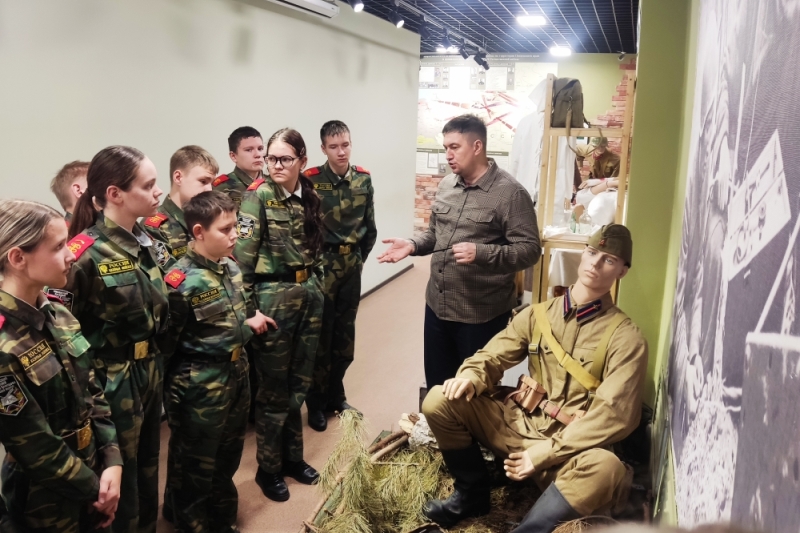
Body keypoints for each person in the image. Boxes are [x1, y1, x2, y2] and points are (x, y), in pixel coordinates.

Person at [421, 224, 648, 533]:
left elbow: (616, 414)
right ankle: (471, 495)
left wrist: (545, 453)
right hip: (518, 425)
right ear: (583, 255)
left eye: (608, 260)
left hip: (571, 447)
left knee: (605, 467)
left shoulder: (626, 338)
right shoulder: (537, 314)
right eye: (592, 253)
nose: (595, 264)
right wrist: (472, 376)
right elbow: (493, 355)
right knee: (439, 399)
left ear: (622, 271)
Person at [378, 114, 541, 388]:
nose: (448, 155)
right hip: (437, 307)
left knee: (475, 392)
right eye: (445, 148)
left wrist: (482, 253)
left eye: (454, 147)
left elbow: (530, 250)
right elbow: (435, 234)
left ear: (477, 147)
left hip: (480, 316)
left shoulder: (510, 194)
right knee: (438, 389)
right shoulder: (446, 185)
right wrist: (413, 245)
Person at [64, 146, 170, 533]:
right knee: (119, 472)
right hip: (111, 378)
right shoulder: (83, 254)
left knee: (149, 462)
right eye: (148, 184)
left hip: (149, 368)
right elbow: (64, 332)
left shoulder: (148, 239)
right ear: (115, 194)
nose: (158, 192)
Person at [0, 199, 122, 531]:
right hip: (43, 496)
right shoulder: (4, 342)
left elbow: (92, 391)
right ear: (18, 258)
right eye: (58, 247)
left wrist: (112, 459)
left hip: (93, 467)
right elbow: (32, 443)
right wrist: (96, 491)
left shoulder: (58, 312)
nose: (71, 255)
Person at [160, 191, 275, 532]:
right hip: (199, 384)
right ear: (199, 232)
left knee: (227, 457)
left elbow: (237, 317)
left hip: (236, 373)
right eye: (225, 229)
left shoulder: (231, 267)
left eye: (235, 226)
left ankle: (223, 521)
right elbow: (165, 346)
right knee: (194, 466)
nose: (235, 235)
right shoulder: (178, 282)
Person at [234, 128, 325, 502]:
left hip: (308, 297)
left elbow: (315, 247)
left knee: (298, 385)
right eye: (271, 158)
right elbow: (241, 262)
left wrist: (318, 286)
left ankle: (293, 459)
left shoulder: (308, 194)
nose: (275, 165)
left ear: (302, 160)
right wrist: (250, 310)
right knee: (273, 390)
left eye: (285, 158)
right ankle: (268, 468)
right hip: (272, 302)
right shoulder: (257, 197)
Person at [304, 120, 377, 432]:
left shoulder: (363, 178)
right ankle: (316, 403)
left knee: (344, 339)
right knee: (321, 338)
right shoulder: (310, 180)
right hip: (323, 266)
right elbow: (305, 229)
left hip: (351, 267)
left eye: (345, 144)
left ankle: (337, 396)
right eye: (333, 146)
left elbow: (370, 228)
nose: (341, 151)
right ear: (323, 149)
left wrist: (358, 260)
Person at [143, 145, 219, 260]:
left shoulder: (209, 219)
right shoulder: (155, 228)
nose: (209, 189)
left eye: (211, 184)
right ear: (178, 178)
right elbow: (167, 271)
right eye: (203, 181)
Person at [214, 126, 266, 207]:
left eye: (260, 149)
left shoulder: (276, 184)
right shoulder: (221, 188)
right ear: (233, 156)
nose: (258, 155)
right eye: (249, 150)